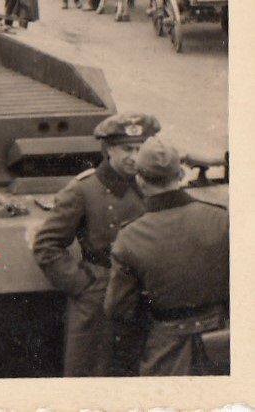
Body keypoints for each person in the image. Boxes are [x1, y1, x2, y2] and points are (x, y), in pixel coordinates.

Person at [32, 112, 160, 376]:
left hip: (148, 293)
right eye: (126, 149)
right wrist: (83, 285)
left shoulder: (154, 185)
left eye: (141, 149)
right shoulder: (83, 190)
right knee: (92, 373)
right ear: (108, 150)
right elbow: (47, 245)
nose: (134, 157)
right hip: (101, 297)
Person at [104, 137, 229, 376]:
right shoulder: (221, 218)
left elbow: (117, 309)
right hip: (222, 339)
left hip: (165, 347)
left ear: (140, 180)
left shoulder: (130, 236)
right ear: (180, 174)